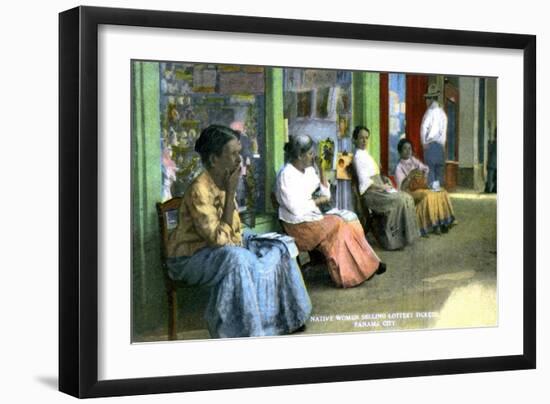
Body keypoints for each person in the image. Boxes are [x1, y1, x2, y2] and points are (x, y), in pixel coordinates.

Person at [166, 124, 311, 339]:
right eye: (233, 154)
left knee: (279, 246)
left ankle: (290, 318)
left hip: (220, 250)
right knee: (238, 259)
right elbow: (218, 240)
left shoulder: (223, 180)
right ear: (214, 159)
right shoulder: (199, 189)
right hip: (190, 259)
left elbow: (234, 232)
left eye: (239, 153)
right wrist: (231, 190)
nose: (239, 159)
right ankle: (246, 330)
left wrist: (248, 241)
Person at [276, 134, 385, 289]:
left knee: (347, 223)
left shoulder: (307, 170)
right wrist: (317, 201)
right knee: (338, 223)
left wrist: (321, 170)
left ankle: (367, 266)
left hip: (312, 218)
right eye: (309, 153)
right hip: (298, 226)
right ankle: (350, 274)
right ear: (299, 155)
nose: (312, 156)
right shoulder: (286, 175)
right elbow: (295, 209)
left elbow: (326, 194)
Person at [352, 126, 419, 250]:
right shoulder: (358, 157)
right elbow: (365, 182)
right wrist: (382, 186)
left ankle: (405, 237)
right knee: (400, 199)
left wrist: (383, 179)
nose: (364, 141)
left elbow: (374, 174)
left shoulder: (365, 154)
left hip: (378, 188)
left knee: (406, 197)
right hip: (371, 193)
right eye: (361, 138)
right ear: (355, 140)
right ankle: (393, 241)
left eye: (366, 138)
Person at [395, 138, 455, 236]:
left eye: (409, 148)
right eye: (405, 149)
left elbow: (425, 168)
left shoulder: (413, 160)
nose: (408, 151)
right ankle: (434, 225)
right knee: (428, 195)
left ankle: (443, 222)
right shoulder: (399, 167)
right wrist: (410, 176)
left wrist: (422, 174)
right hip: (408, 191)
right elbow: (401, 188)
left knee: (441, 192)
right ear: (400, 152)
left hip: (419, 187)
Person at [420, 83, 448, 188]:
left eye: (427, 99)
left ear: (431, 99)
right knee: (439, 173)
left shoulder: (429, 113)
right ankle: (438, 198)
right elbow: (443, 132)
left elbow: (423, 128)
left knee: (430, 172)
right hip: (440, 146)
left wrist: (423, 143)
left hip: (430, 146)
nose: (426, 101)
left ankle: (432, 199)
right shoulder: (442, 114)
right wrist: (443, 146)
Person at [485, 127, 497, 193]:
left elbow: (489, 152)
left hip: (492, 162)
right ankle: (495, 189)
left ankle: (489, 189)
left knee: (490, 177)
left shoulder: (493, 143)